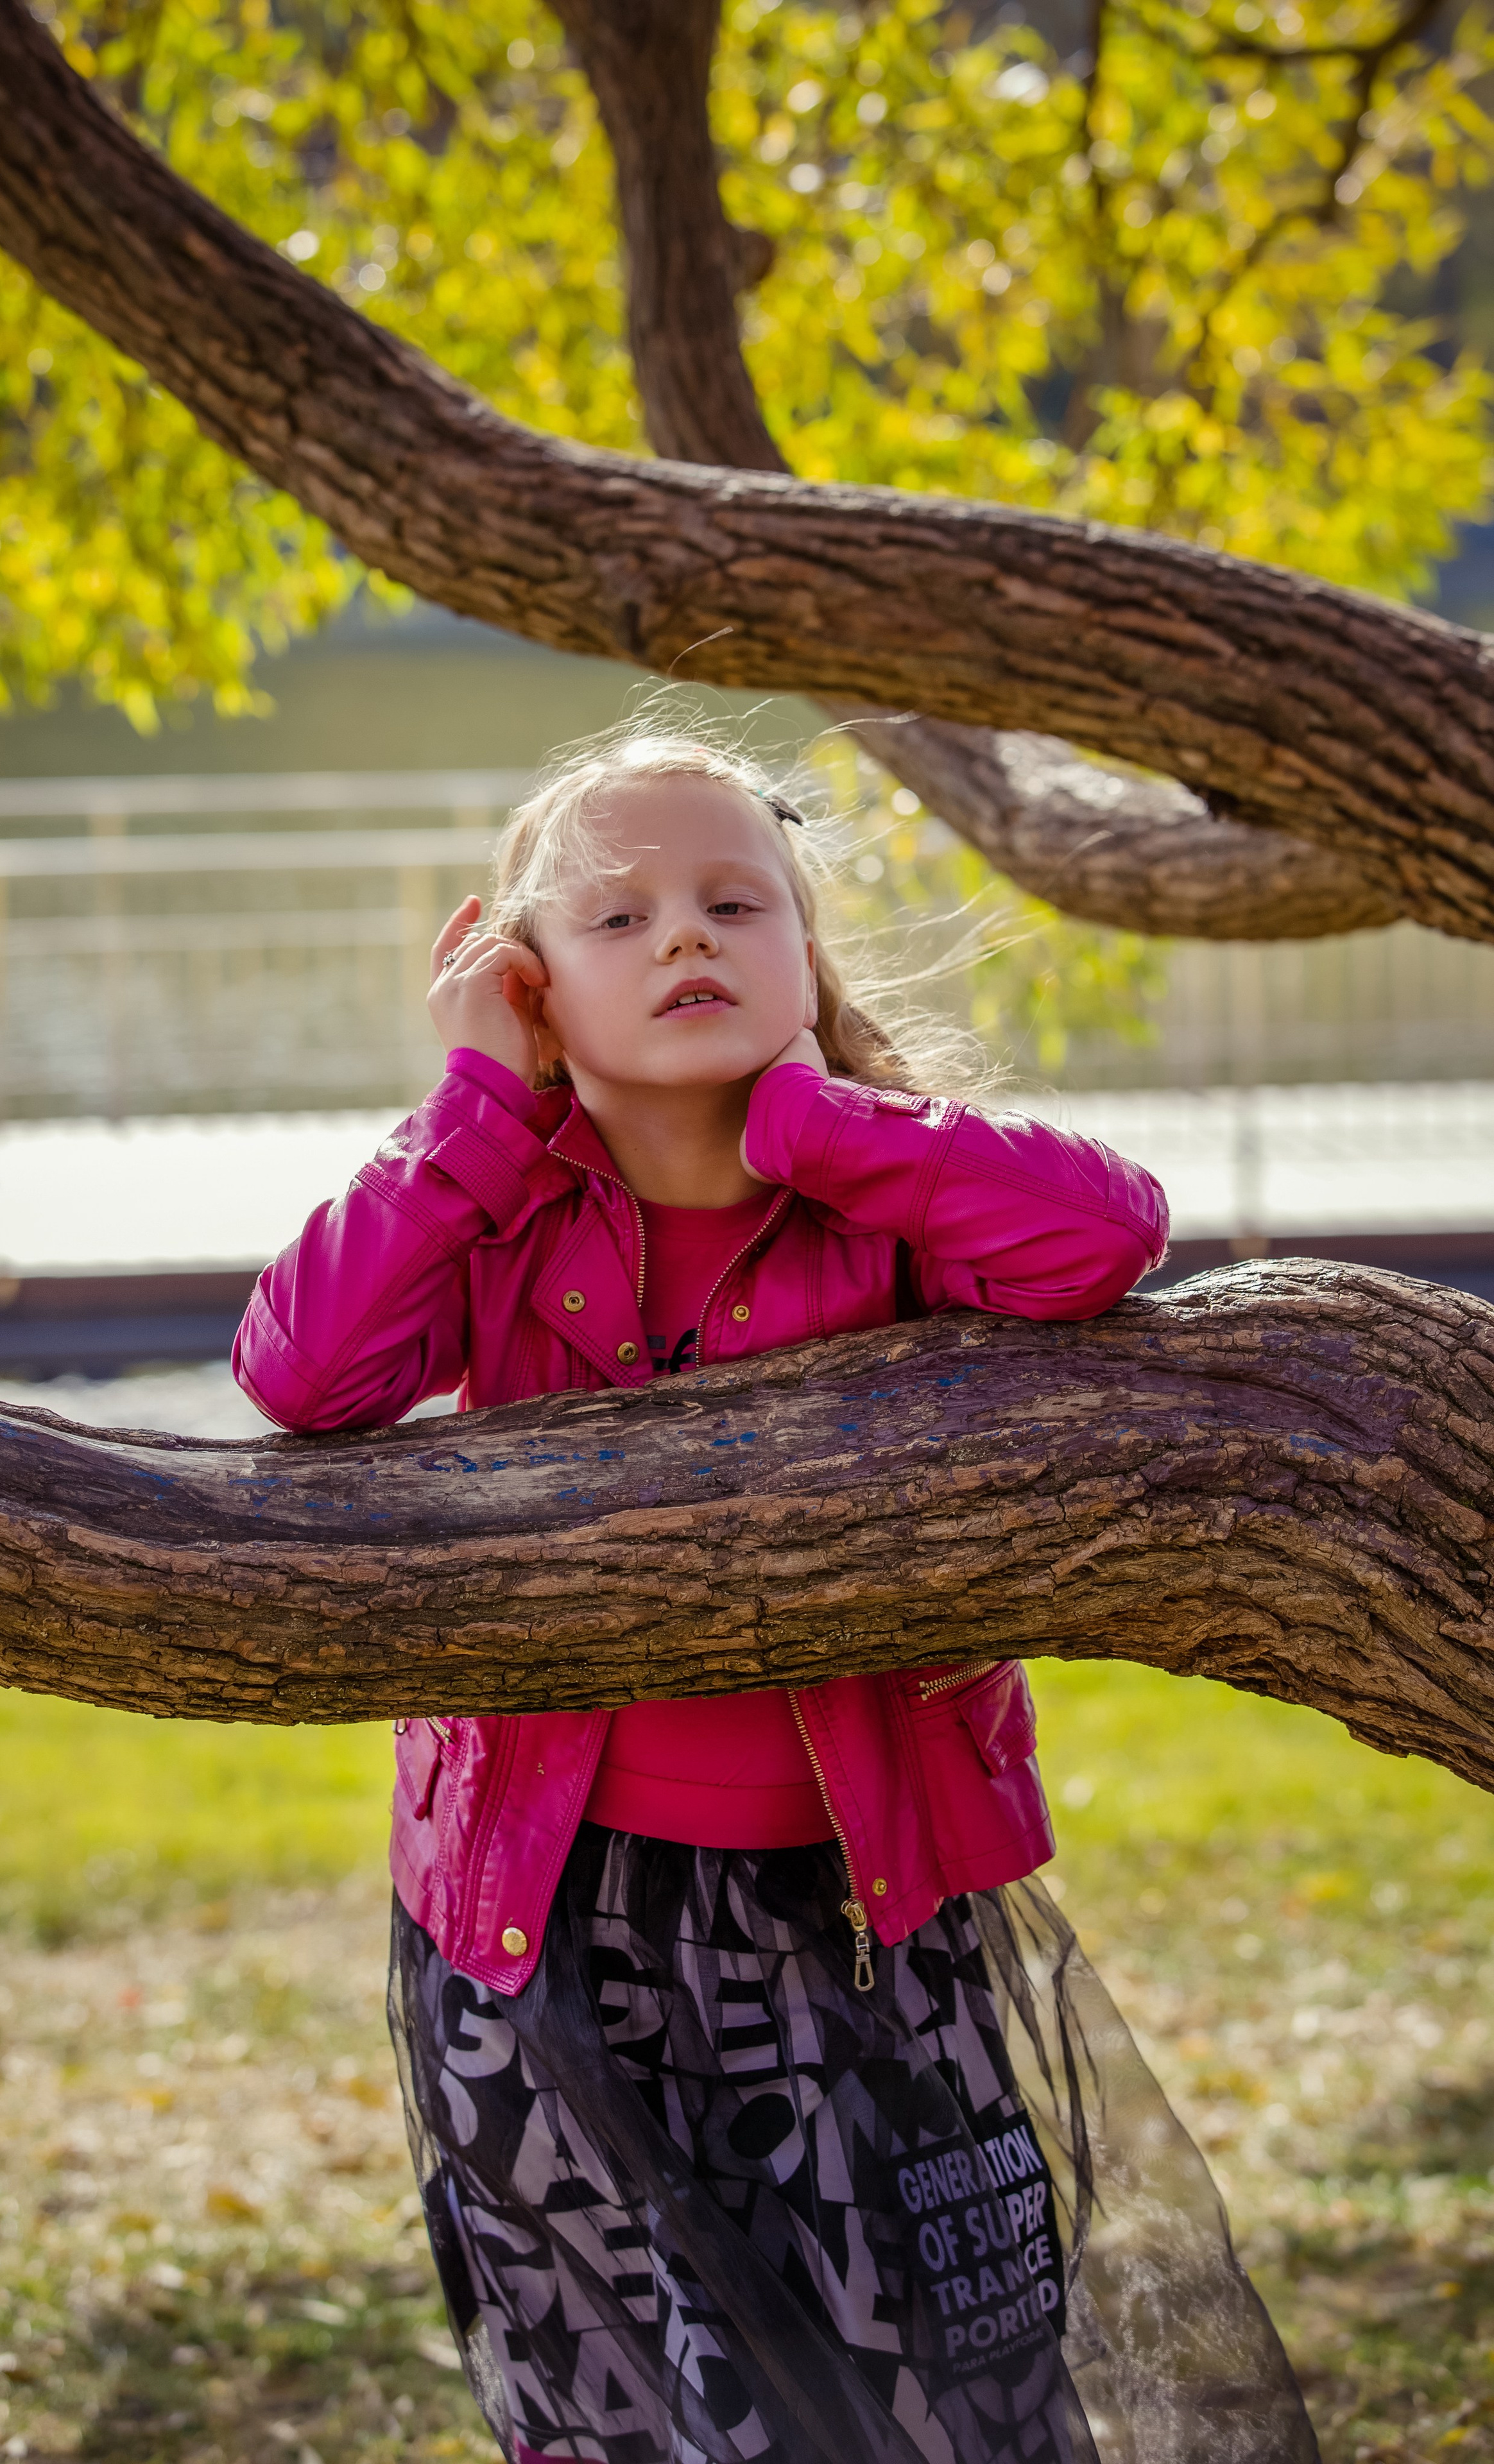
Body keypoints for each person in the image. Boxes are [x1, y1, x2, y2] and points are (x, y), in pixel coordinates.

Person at [234, 726, 1319, 2464]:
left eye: (737, 904)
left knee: (932, 2390)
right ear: (515, 981)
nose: (685, 939)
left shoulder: (893, 1203)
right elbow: (305, 1372)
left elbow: (1105, 1240)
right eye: (618, 918)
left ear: (806, 955)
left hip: (857, 1914)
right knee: (639, 2410)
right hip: (540, 1931)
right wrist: (472, 1110)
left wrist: (816, 1115)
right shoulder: (489, 1205)